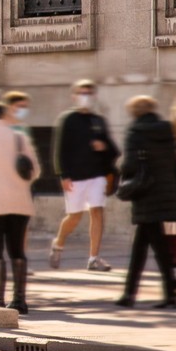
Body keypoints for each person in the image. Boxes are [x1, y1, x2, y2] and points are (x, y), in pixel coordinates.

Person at [115, 95, 176, 308]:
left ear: (135, 112)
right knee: (147, 245)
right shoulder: (166, 130)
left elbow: (130, 166)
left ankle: (136, 295)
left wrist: (122, 177)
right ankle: (135, 294)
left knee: (154, 247)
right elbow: (175, 165)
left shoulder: (135, 133)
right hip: (165, 194)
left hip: (146, 195)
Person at [49, 80, 117, 272]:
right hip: (75, 177)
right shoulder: (67, 119)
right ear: (74, 96)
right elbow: (60, 149)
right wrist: (64, 175)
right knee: (74, 216)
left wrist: (104, 147)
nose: (85, 96)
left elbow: (113, 150)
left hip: (97, 175)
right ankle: (59, 242)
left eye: (89, 92)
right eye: (81, 92)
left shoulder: (98, 121)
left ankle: (93, 258)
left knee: (97, 212)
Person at [0, 100, 39, 312]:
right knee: (17, 249)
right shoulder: (18, 136)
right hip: (19, 201)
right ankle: (19, 299)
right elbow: (34, 171)